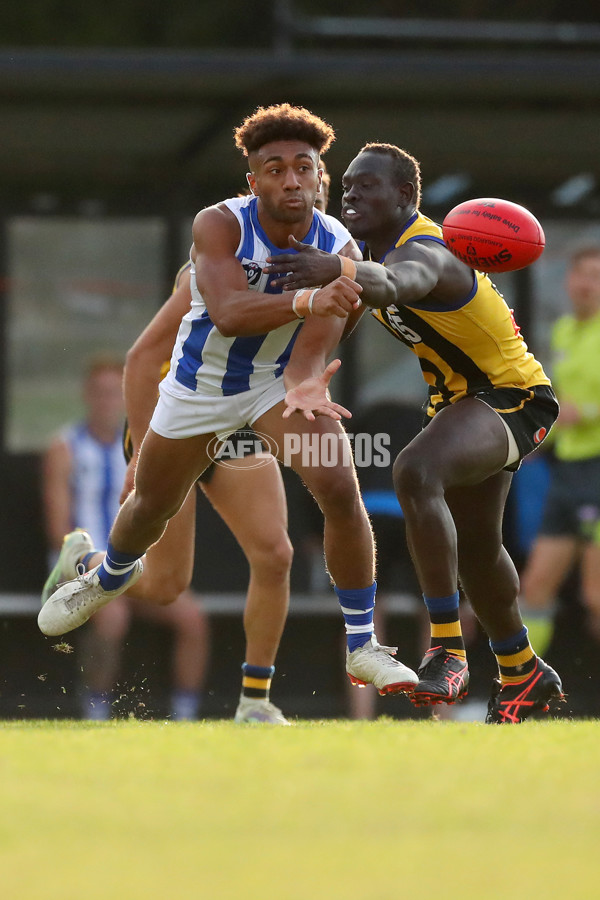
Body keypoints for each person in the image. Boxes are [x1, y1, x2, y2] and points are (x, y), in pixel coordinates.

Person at [39, 104, 419, 702]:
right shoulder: (219, 227)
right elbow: (226, 316)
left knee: (325, 499)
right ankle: (102, 572)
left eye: (304, 168)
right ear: (253, 181)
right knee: (153, 533)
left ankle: (348, 652)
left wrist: (309, 380)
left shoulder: (340, 243)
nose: (291, 180)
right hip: (197, 392)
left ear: (321, 177)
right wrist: (136, 447)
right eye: (275, 169)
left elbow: (324, 331)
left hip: (269, 388)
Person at [264, 141, 564, 723]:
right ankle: (524, 670)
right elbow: (345, 307)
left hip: (512, 399)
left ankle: (447, 650)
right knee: (478, 548)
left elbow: (398, 282)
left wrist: (342, 269)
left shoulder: (429, 249)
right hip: (461, 403)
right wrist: (304, 374)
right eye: (346, 184)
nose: (351, 193)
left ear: (405, 196)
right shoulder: (364, 251)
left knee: (414, 470)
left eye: (367, 185)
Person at [41, 354, 208, 720]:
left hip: (133, 565)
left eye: (113, 393)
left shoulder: (143, 448)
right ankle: (95, 712)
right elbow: (59, 533)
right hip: (80, 565)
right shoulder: (64, 447)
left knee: (192, 618)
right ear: (86, 395)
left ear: (125, 397)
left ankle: (185, 716)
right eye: (99, 393)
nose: (106, 402)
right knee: (112, 615)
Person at [520, 245, 600, 640]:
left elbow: (577, 407)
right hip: (567, 471)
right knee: (534, 588)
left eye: (597, 277)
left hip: (598, 469)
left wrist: (585, 411)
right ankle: (526, 693)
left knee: (596, 596)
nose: (588, 284)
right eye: (582, 274)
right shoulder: (565, 329)